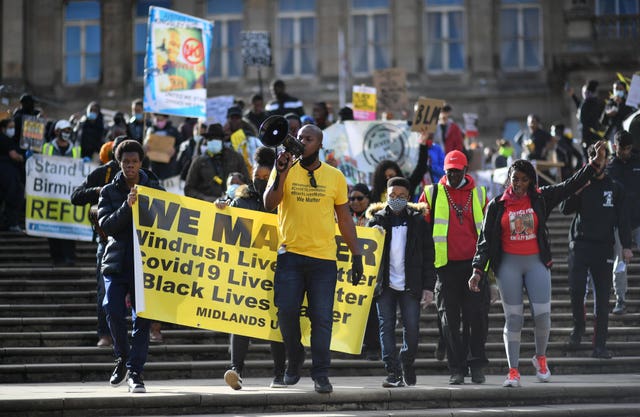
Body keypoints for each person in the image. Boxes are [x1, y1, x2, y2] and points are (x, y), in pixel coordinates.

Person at [468, 141, 607, 388]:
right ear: (509, 180)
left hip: (536, 263)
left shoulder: (541, 198)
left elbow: (569, 185)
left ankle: (540, 359)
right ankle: (513, 371)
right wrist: (478, 270)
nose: (518, 184)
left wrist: (593, 164)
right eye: (514, 179)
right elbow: (485, 241)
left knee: (543, 316)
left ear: (531, 181)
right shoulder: (496, 205)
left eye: (523, 179)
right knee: (514, 319)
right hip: (508, 265)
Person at [263, 123, 363, 394]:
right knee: (286, 312)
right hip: (290, 255)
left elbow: (344, 219)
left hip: (323, 260)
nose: (301, 141)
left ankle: (320, 373)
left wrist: (357, 255)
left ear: (319, 144)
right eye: (299, 137)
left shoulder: (335, 177)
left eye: (307, 138)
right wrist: (281, 174)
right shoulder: (284, 167)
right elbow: (269, 203)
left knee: (321, 318)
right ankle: (294, 358)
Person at [98, 140, 164, 393]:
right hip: (117, 261)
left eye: (134, 162)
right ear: (119, 163)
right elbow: (108, 226)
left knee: (143, 320)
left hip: (145, 264)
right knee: (112, 309)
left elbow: (170, 218)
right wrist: (127, 205)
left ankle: (135, 372)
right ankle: (122, 358)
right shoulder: (108, 192)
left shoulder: (154, 187)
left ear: (141, 163)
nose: (130, 166)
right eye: (125, 162)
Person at [419, 150, 490, 385]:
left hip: (474, 267)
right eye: (448, 171)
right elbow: (419, 228)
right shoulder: (432, 193)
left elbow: (489, 231)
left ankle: (476, 365)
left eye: (457, 171)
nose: (452, 175)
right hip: (445, 267)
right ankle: (456, 369)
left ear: (466, 171)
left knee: (476, 318)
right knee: (449, 320)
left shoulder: (479, 194)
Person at [221, 146, 287, 390]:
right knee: (240, 319)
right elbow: (227, 227)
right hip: (247, 270)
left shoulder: (286, 200)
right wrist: (221, 211)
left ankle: (279, 373)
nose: (259, 182)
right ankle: (235, 370)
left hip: (279, 270)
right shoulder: (242, 200)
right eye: (256, 178)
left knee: (277, 322)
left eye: (264, 178)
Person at [560, 143, 632, 359]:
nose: (599, 162)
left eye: (602, 158)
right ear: (590, 160)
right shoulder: (580, 182)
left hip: (604, 248)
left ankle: (599, 345)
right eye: (594, 157)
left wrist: (627, 246)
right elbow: (564, 209)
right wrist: (577, 190)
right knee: (576, 291)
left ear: (608, 160)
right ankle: (578, 330)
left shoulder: (615, 187)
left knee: (602, 298)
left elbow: (623, 219)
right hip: (580, 246)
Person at [366, 176, 436, 387]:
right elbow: (365, 252)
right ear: (385, 196)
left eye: (402, 196)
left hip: (410, 284)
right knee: (385, 327)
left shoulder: (418, 221)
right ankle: (393, 372)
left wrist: (428, 287)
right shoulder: (377, 220)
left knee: (412, 329)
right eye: (392, 196)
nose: (396, 199)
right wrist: (372, 234)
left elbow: (428, 255)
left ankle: (406, 361)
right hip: (385, 286)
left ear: (409, 197)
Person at [71, 135, 127, 347]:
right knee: (105, 289)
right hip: (107, 241)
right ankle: (105, 333)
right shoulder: (102, 173)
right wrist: (97, 191)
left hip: (134, 241)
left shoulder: (141, 175)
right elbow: (76, 196)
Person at [606, 130, 640, 314]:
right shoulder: (610, 167)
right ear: (615, 147)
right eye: (622, 149)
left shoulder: (637, 162)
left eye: (628, 148)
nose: (625, 152)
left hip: (638, 220)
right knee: (620, 262)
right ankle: (620, 298)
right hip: (619, 222)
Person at [42, 120, 82, 266]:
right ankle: (56, 257)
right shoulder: (46, 147)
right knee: (52, 226)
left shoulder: (76, 149)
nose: (67, 133)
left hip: (68, 194)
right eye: (64, 130)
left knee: (69, 225)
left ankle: (70, 257)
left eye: (69, 130)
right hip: (51, 193)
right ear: (56, 131)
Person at [348, 183, 379, 360]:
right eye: (352, 198)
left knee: (372, 312)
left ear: (368, 199)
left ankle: (373, 346)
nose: (355, 202)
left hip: (371, 273)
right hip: (348, 273)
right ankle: (354, 346)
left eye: (360, 198)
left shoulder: (376, 218)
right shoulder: (343, 217)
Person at [184, 123, 249, 202]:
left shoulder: (236, 158)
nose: (213, 141)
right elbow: (188, 189)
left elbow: (247, 183)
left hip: (232, 204)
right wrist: (204, 198)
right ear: (206, 141)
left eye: (216, 138)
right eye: (210, 139)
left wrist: (237, 193)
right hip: (207, 206)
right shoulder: (199, 161)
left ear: (222, 140)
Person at [0, 118, 24, 232]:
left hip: (6, 173)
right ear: (3, 129)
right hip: (7, 173)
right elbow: (14, 155)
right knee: (13, 197)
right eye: (10, 127)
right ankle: (11, 223)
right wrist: (22, 158)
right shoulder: (5, 139)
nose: (12, 130)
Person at [143, 114, 182, 179]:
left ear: (166, 119)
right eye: (157, 119)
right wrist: (145, 147)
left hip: (168, 165)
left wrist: (175, 150)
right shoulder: (150, 130)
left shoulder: (173, 131)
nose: (159, 122)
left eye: (161, 120)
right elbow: (143, 144)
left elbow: (180, 145)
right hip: (152, 164)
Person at [225, 105, 261, 175]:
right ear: (228, 119)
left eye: (237, 118)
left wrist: (231, 136)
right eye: (232, 118)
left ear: (241, 119)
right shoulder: (224, 134)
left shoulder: (249, 134)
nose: (234, 120)